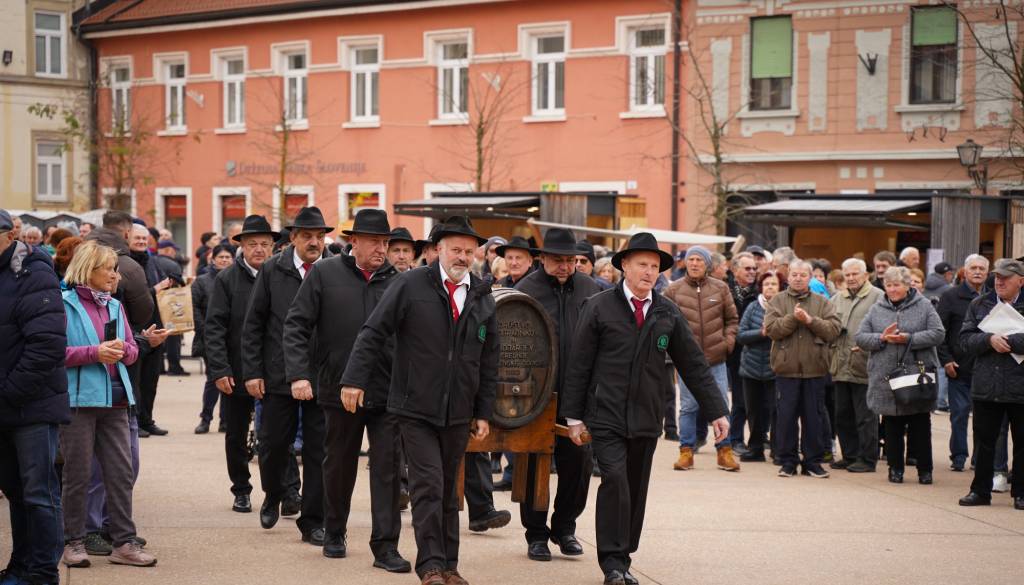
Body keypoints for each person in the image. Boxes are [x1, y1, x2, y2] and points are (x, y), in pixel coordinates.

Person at [562, 232, 729, 585]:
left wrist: (717, 410)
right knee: (615, 481)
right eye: (642, 264)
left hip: (646, 416)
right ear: (624, 265)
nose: (649, 272)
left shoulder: (667, 311)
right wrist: (574, 417)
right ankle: (611, 563)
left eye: (654, 266)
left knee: (636, 489)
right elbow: (578, 365)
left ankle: (623, 557)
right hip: (605, 414)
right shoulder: (599, 307)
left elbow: (693, 363)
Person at [340, 216, 498, 585]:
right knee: (428, 486)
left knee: (449, 491)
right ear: (437, 250)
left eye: (468, 251)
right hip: (415, 407)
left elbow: (489, 358)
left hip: (458, 411)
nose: (462, 257)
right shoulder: (410, 284)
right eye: (455, 249)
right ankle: (430, 565)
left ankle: (450, 566)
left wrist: (483, 411)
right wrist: (354, 379)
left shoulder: (481, 295)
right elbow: (373, 331)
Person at [283, 209, 410, 571]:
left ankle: (385, 547)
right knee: (338, 466)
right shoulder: (325, 273)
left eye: (386, 242)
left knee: (388, 470)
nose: (382, 249)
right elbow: (296, 325)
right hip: (338, 388)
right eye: (374, 242)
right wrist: (299, 374)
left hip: (387, 391)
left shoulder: (401, 281)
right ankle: (334, 532)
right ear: (354, 241)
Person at [59, 242, 156, 568]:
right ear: (88, 269)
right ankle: (73, 541)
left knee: (120, 473)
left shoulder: (114, 305)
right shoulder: (63, 305)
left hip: (116, 400)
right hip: (78, 402)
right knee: (78, 474)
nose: (116, 275)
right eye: (110, 269)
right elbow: (53, 353)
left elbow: (132, 350)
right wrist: (94, 353)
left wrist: (124, 350)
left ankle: (124, 542)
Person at [242, 207, 332, 544]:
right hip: (278, 373)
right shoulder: (272, 269)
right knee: (273, 444)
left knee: (318, 449)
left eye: (320, 236)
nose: (315, 242)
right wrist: (253, 371)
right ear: (292, 238)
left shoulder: (333, 269)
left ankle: (313, 520)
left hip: (321, 375)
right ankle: (273, 493)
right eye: (307, 236)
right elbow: (254, 324)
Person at [513, 228, 600, 562]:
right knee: (534, 466)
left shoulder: (590, 289)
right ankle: (536, 534)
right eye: (558, 260)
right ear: (543, 259)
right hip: (537, 393)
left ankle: (565, 528)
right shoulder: (526, 290)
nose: (565, 266)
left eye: (570, 260)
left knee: (579, 465)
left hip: (578, 394)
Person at [0, 209, 69, 585]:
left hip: (33, 404)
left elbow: (46, 344)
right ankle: (20, 565)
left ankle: (42, 572)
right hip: (6, 403)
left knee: (39, 492)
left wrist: (10, 392)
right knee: (16, 491)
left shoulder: (34, 270)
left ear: (9, 236)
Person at [205, 215, 277, 514]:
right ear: (242, 247)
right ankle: (241, 489)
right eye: (252, 244)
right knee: (235, 433)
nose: (259, 249)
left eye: (264, 244)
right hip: (236, 369)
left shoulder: (281, 276)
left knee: (276, 435)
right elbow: (214, 328)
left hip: (273, 370)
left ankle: (281, 490)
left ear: (273, 247)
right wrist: (220, 369)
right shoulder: (227, 279)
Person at [855, 266, 944, 485]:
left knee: (920, 424)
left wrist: (909, 338)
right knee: (892, 425)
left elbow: (938, 334)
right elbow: (861, 337)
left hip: (917, 374)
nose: (892, 289)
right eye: (889, 285)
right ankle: (895, 469)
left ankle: (925, 470)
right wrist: (882, 338)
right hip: (886, 376)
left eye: (897, 285)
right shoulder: (877, 308)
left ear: (907, 286)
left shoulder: (924, 305)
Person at [664, 246, 740, 472]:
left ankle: (724, 451)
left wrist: (727, 344)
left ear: (707, 264)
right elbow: (664, 323)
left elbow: (732, 320)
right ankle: (686, 451)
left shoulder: (721, 287)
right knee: (688, 406)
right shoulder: (673, 290)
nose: (694, 263)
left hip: (716, 358)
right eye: (691, 259)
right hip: (687, 361)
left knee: (721, 405)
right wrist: (675, 350)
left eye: (699, 259)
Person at [764, 259, 841, 478]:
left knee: (814, 419)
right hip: (786, 370)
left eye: (803, 275)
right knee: (786, 418)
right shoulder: (777, 300)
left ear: (810, 278)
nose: (798, 279)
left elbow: (833, 330)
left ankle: (812, 463)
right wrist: (792, 318)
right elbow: (771, 329)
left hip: (815, 370)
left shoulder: (822, 302)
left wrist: (809, 320)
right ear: (788, 276)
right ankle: (787, 461)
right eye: (794, 275)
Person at [957, 259, 1024, 509]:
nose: (999, 281)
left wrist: (1010, 341)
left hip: (1020, 387)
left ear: (1021, 281)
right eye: (997, 277)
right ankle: (980, 491)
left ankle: (1021, 492)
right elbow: (964, 340)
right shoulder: (979, 304)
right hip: (986, 385)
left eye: (1006, 277)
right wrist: (988, 340)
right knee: (985, 443)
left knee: (1022, 443)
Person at [829, 259, 883, 473]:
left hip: (865, 364)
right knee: (842, 415)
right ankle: (850, 455)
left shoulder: (878, 297)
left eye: (855, 274)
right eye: (847, 275)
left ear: (865, 275)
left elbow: (885, 328)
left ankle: (867, 458)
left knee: (866, 416)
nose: (851, 278)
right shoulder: (837, 298)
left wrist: (869, 344)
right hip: (840, 365)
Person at [936, 254, 989, 471]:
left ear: (987, 273)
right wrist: (946, 360)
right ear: (964, 272)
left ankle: (979, 459)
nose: (977, 272)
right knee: (959, 415)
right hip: (958, 368)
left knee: (983, 419)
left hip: (985, 367)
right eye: (973, 268)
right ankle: (958, 456)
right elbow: (940, 332)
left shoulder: (993, 297)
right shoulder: (950, 296)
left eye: (981, 269)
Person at [736, 270, 784, 463]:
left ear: (780, 287)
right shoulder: (753, 307)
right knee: (754, 411)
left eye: (773, 284)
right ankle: (755, 448)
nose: (770, 287)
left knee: (777, 410)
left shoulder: (785, 306)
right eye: (766, 284)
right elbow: (741, 335)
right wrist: (761, 333)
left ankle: (778, 449)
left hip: (776, 368)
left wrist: (775, 331)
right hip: (751, 368)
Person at [192, 243, 234, 434]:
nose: (224, 260)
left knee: (231, 381)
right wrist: (206, 330)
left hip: (232, 339)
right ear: (213, 260)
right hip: (209, 339)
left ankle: (225, 420)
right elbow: (194, 308)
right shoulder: (202, 281)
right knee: (213, 379)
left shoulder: (236, 280)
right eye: (221, 257)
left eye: (228, 257)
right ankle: (205, 418)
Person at [727, 251, 759, 454]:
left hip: (754, 350)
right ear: (735, 270)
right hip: (732, 351)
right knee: (739, 398)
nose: (752, 272)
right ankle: (735, 439)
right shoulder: (725, 291)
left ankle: (758, 438)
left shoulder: (759, 292)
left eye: (754, 268)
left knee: (754, 400)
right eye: (747, 268)